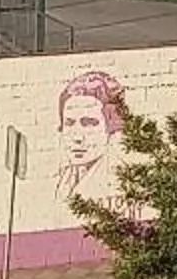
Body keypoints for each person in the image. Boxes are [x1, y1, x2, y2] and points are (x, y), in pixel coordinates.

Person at [52, 71, 125, 201]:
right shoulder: (65, 178)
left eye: (89, 124)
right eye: (69, 123)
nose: (78, 138)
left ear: (111, 128)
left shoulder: (118, 180)